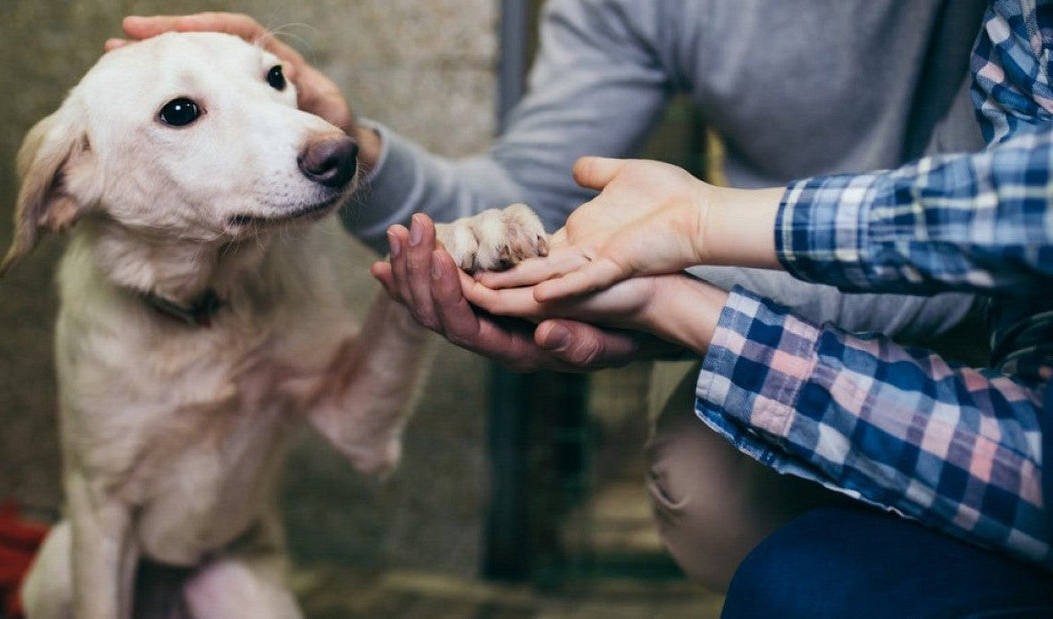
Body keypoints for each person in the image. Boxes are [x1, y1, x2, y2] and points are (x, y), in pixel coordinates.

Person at [120, 0, 992, 593]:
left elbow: (1003, 215)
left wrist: (680, 290)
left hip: (1007, 291)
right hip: (787, 286)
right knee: (705, 491)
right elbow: (526, 194)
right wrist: (357, 153)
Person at [382, 0, 1053, 614]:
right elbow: (532, 178)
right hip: (772, 270)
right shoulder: (1014, 34)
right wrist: (360, 160)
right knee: (728, 520)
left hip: (958, 296)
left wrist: (699, 237)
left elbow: (1001, 221)